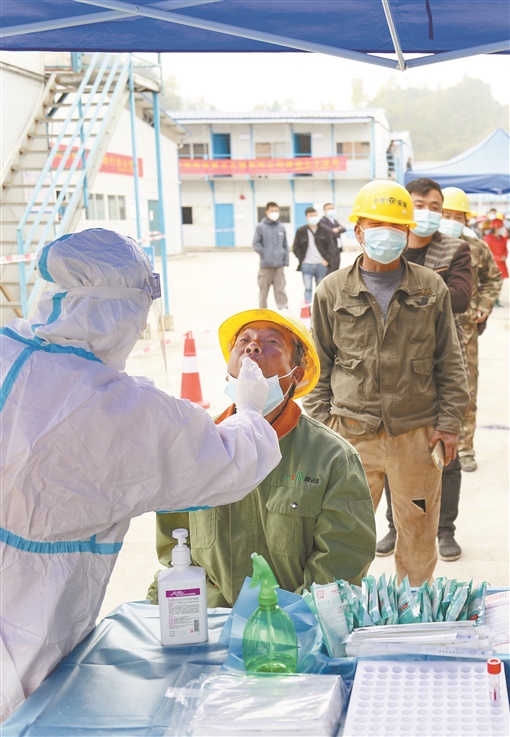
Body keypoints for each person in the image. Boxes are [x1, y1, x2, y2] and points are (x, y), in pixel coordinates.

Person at [0, 229, 282, 722]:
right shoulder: (116, 407)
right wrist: (252, 411)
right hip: (30, 619)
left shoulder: (10, 352)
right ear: (121, 311)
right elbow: (229, 461)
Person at [147, 308, 377, 607]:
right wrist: (217, 615)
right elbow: (174, 550)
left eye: (271, 342)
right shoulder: (194, 445)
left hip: (292, 625)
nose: (253, 347)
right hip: (210, 621)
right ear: (229, 369)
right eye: (243, 341)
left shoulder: (333, 458)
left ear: (296, 374)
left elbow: (341, 563)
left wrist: (280, 621)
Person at [302, 180, 469, 587]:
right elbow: (317, 366)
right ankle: (340, 610)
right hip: (351, 437)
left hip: (417, 438)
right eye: (377, 225)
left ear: (408, 231)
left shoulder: (429, 287)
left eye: (396, 226)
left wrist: (449, 425)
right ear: (358, 230)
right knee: (342, 537)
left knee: (419, 534)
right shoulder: (332, 290)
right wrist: (325, 427)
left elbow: (450, 360)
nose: (387, 234)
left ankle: (415, 610)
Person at [376, 177, 473, 563]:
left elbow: (460, 298)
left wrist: (413, 290)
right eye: (419, 204)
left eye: (435, 206)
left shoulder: (454, 248)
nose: (428, 213)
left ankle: (444, 530)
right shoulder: (386, 246)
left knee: (444, 446)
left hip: (440, 359)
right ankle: (394, 525)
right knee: (393, 448)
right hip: (393, 364)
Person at [439, 187, 502, 473]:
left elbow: (493, 278)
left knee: (466, 388)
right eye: (446, 215)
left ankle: (465, 448)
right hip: (427, 330)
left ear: (466, 219)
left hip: (465, 330)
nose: (451, 221)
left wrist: (484, 305)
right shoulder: (426, 246)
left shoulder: (477, 247)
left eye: (457, 216)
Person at [293, 207, 337, 305]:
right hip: (307, 265)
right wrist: (301, 259)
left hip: (321, 264)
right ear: (306, 218)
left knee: (321, 288)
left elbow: (331, 247)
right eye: (311, 216)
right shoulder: (301, 231)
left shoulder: (325, 230)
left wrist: (327, 260)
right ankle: (308, 306)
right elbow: (296, 247)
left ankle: (319, 307)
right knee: (308, 288)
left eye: (315, 215)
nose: (313, 217)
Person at [252, 201, 289, 310]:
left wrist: (285, 260)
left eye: (276, 211)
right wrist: (265, 253)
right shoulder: (260, 227)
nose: (274, 213)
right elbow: (256, 244)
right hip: (266, 265)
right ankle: (263, 310)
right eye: (272, 211)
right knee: (263, 288)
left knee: (280, 288)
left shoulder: (281, 227)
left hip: (279, 265)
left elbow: (285, 245)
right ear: (266, 212)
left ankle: (283, 309)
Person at [319, 202, 346, 273]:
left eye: (332, 208)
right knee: (330, 271)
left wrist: (338, 229)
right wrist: (337, 229)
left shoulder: (334, 221)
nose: (331, 210)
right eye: (328, 209)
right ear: (324, 210)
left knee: (336, 270)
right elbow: (331, 233)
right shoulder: (322, 221)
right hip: (330, 250)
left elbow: (344, 229)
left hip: (337, 249)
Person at [483, 217, 509, 289]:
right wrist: (499, 258)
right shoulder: (487, 238)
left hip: (501, 266)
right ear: (496, 228)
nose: (503, 229)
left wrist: (505, 255)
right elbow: (487, 253)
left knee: (499, 286)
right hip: (492, 266)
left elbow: (505, 249)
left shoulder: (502, 238)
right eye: (501, 227)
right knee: (492, 288)